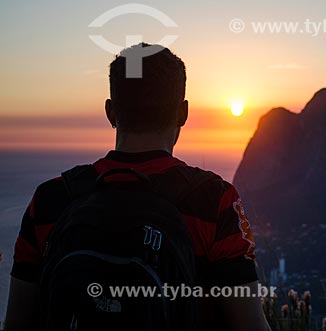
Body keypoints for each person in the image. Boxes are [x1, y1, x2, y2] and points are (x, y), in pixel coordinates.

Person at [5, 43, 270, 331]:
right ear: (183, 113)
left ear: (110, 112)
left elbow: (18, 322)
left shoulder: (49, 201)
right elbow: (250, 324)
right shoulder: (214, 201)